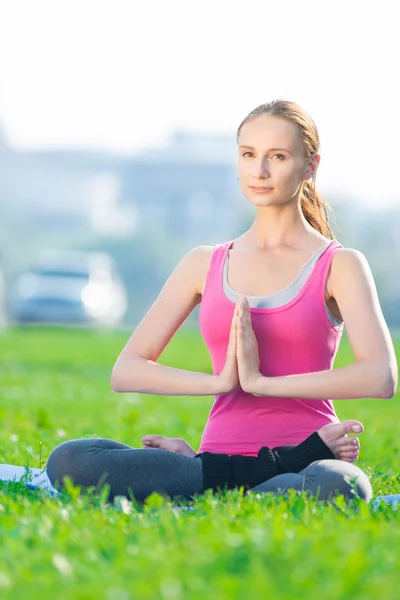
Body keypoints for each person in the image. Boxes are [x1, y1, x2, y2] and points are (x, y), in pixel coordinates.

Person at [46, 100, 398, 504]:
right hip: (224, 455)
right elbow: (126, 370)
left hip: (310, 459)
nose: (259, 171)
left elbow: (380, 377)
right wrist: (219, 383)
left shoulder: (340, 264)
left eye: (277, 157)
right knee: (71, 460)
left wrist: (262, 384)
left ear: (310, 165)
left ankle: (207, 483)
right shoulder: (204, 262)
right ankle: (244, 476)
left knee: (344, 485)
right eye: (249, 155)